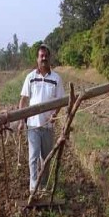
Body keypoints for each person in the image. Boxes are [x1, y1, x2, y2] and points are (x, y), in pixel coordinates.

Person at [18, 44, 65, 195]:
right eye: (41, 56)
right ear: (37, 59)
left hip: (48, 125)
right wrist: (21, 120)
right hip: (32, 124)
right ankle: (33, 187)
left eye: (46, 56)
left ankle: (43, 186)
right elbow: (24, 99)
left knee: (46, 158)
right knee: (33, 157)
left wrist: (55, 114)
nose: (43, 58)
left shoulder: (56, 78)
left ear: (49, 58)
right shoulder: (30, 77)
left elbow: (61, 100)